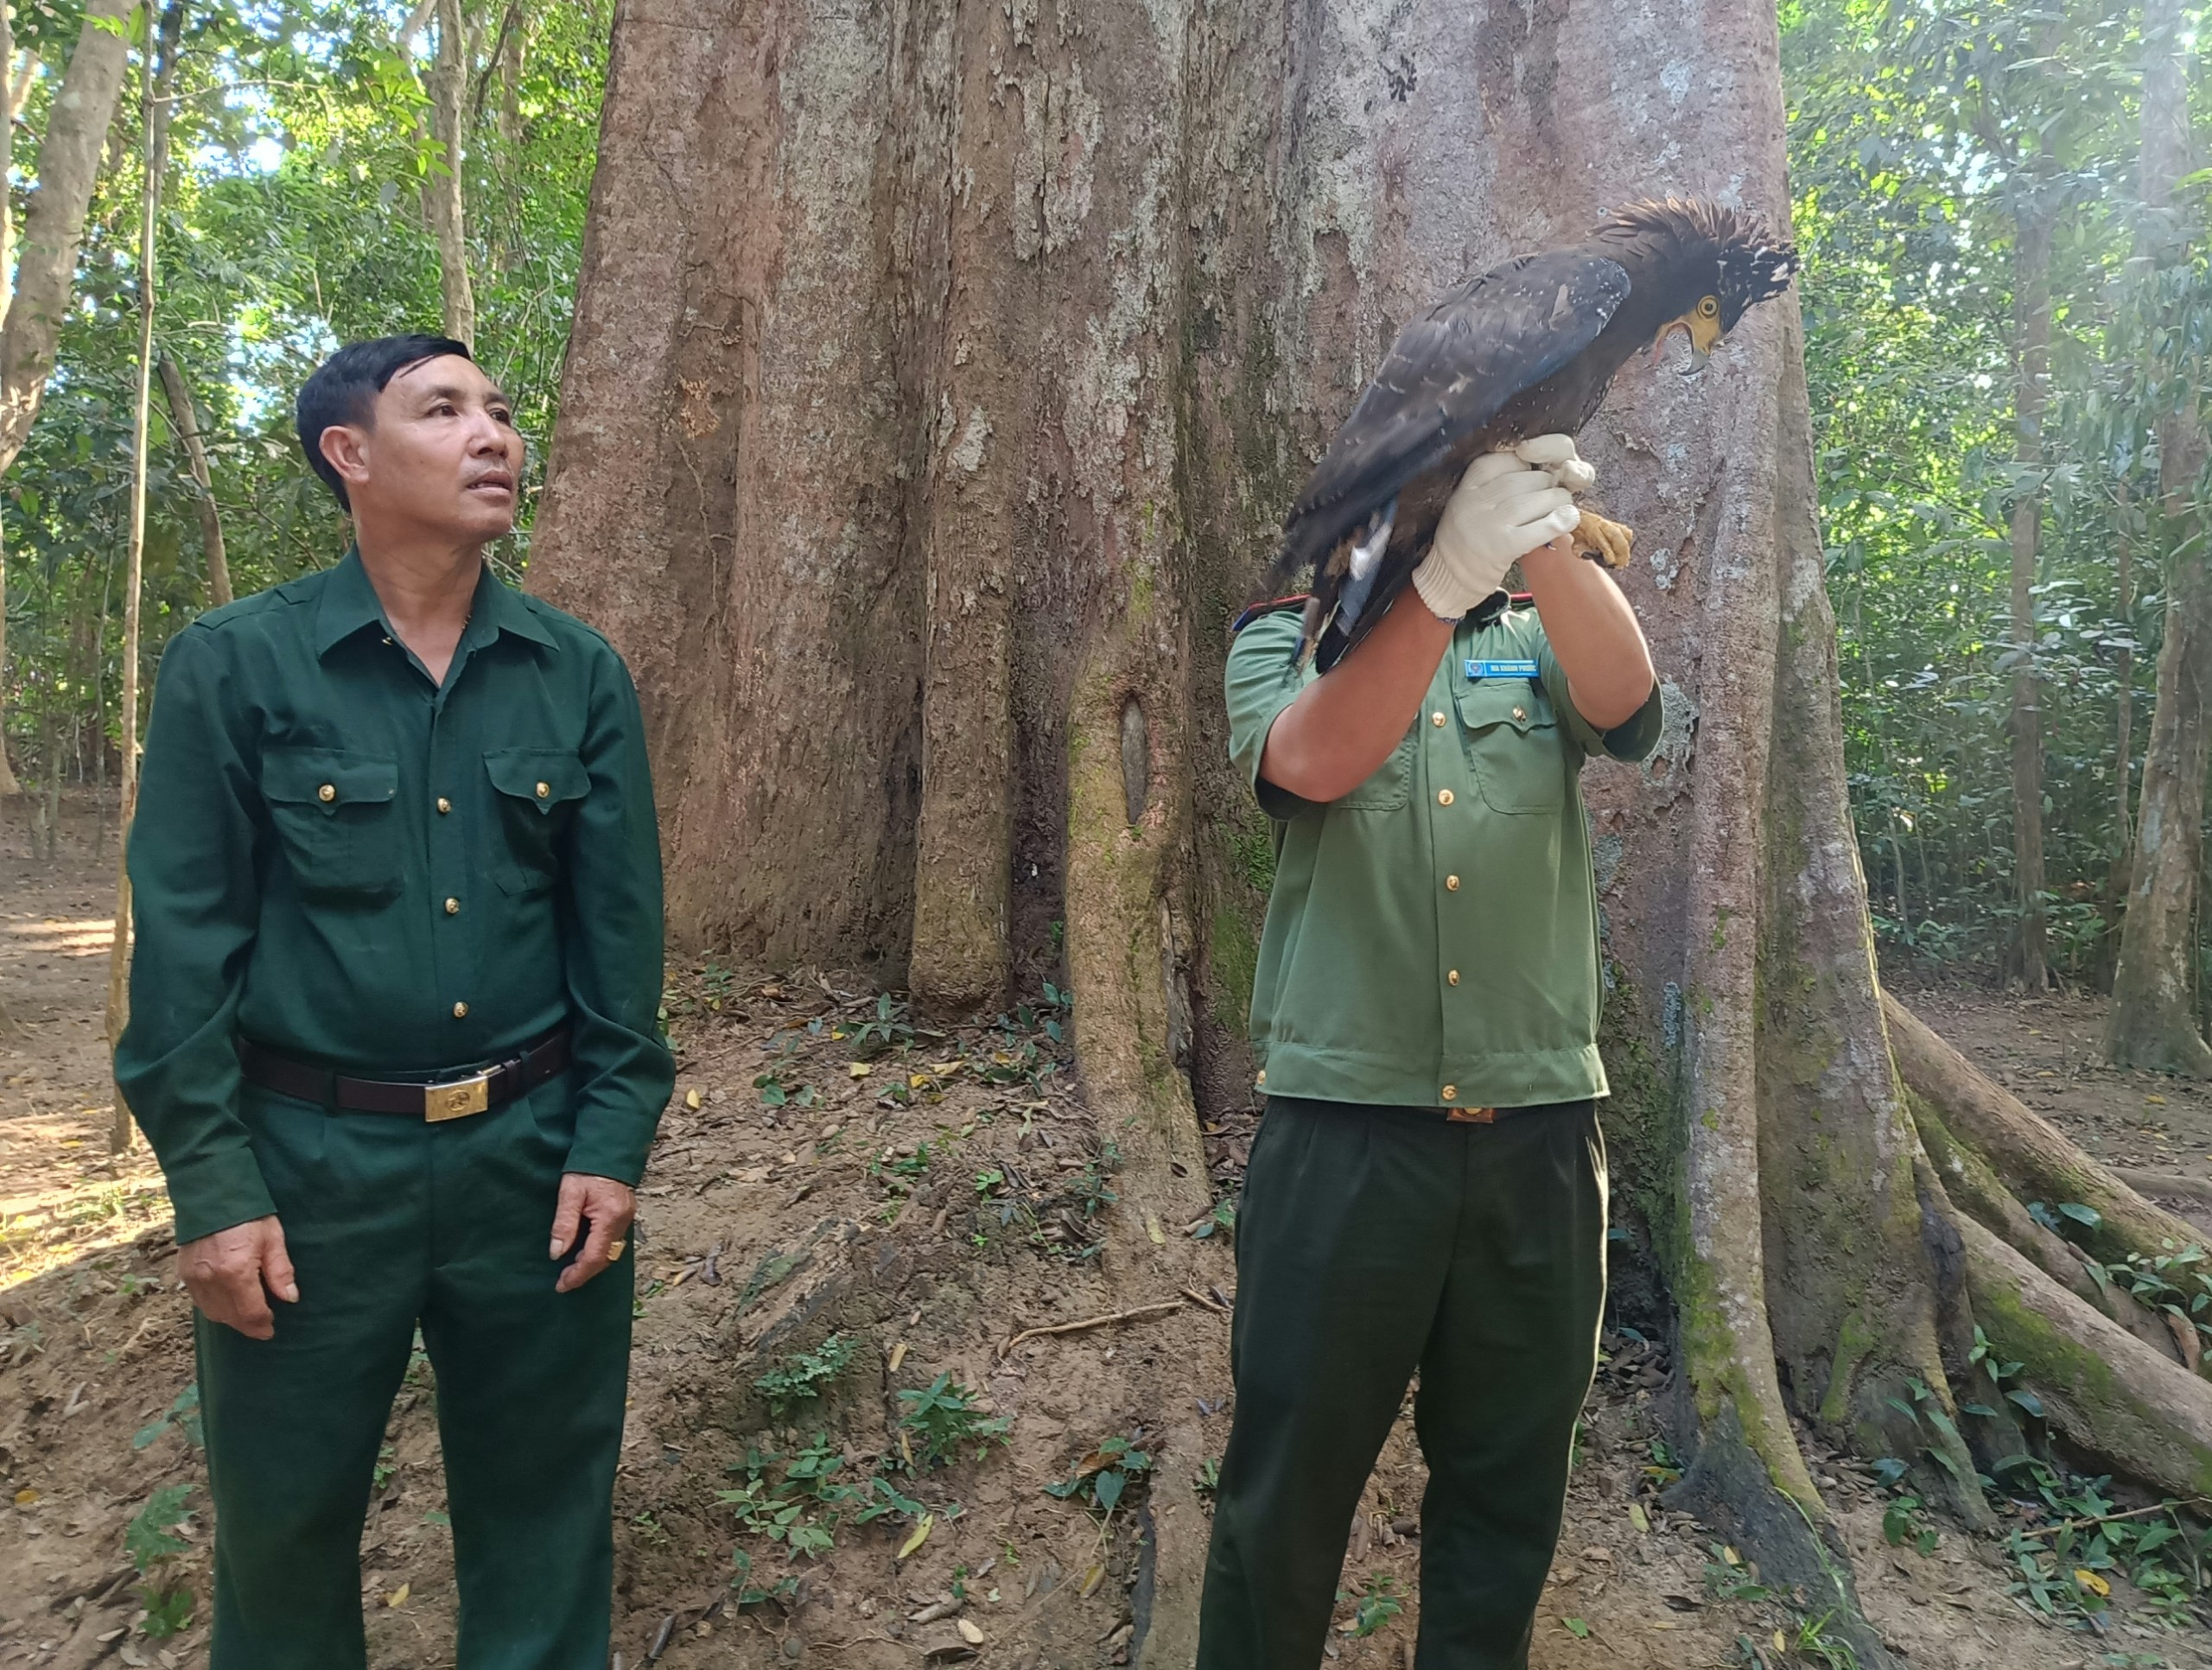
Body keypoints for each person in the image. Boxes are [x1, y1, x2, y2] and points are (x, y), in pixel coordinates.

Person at [115, 333, 673, 1670]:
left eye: (498, 408)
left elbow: (620, 938)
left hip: (531, 1164)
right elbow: (185, 949)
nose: (493, 434)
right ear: (349, 456)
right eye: (445, 410)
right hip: (307, 1173)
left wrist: (609, 1141)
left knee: (546, 1523)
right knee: (282, 1536)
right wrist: (212, 1180)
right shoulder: (237, 667)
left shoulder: (575, 671)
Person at [1199, 440, 1662, 1669]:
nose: (1425, 506)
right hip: (1346, 1139)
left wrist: (1542, 533)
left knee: (1505, 1509)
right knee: (1284, 1500)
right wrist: (1440, 582)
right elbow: (1309, 762)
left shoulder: (1540, 627)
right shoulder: (1285, 640)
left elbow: (1624, 700)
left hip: (1540, 1137)